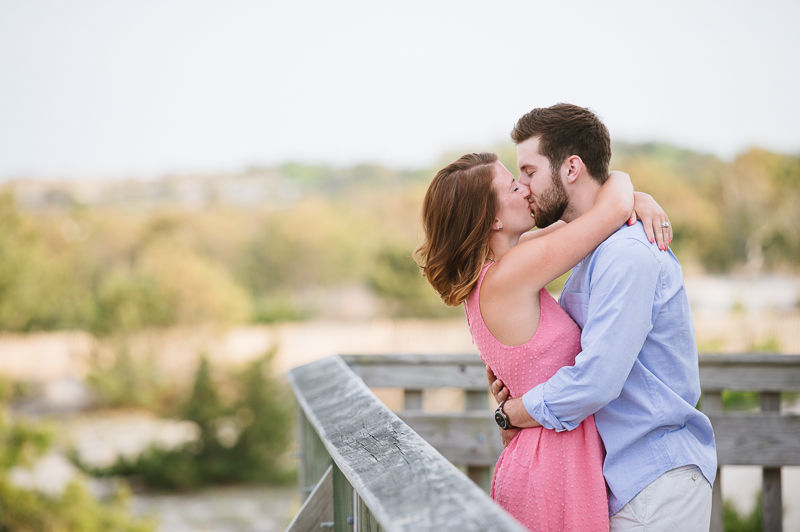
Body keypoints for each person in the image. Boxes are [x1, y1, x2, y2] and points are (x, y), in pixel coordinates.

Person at [488, 103, 717, 532]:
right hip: (621, 483)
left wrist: (514, 412)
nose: (523, 187)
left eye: (530, 171)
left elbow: (596, 380)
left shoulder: (627, 254)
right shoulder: (593, 251)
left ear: (571, 168)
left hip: (654, 483)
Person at [415, 148, 670, 531]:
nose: (527, 190)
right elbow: (608, 211)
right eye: (513, 186)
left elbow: (593, 216)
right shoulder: (510, 274)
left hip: (548, 453)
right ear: (492, 219)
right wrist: (629, 190)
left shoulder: (502, 272)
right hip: (552, 463)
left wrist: (634, 200)